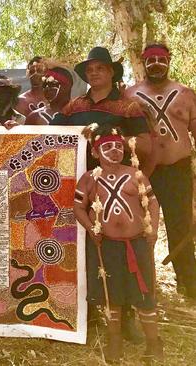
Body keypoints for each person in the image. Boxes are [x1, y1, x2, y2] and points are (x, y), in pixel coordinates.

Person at [52, 46, 152, 342]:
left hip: (116, 188)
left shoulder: (128, 107)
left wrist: (109, 139)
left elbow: (146, 144)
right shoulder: (74, 107)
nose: (94, 73)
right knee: (90, 248)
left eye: (100, 68)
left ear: (111, 72)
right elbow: (52, 134)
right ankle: (96, 312)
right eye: (89, 70)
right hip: (84, 186)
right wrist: (14, 130)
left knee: (121, 251)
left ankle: (128, 317)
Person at [74, 125, 162, 362]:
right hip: (107, 247)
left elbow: (152, 203)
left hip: (137, 243)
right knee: (110, 293)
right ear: (95, 152)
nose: (114, 151)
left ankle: (154, 342)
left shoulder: (136, 174)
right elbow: (78, 208)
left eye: (118, 146)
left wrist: (152, 227)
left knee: (144, 292)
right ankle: (114, 341)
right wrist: (92, 229)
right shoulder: (89, 179)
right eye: (107, 147)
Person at [124, 43, 196, 298]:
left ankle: (189, 285)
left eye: (161, 59)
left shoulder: (186, 94)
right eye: (151, 59)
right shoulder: (130, 94)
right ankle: (142, 287)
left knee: (181, 227)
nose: (156, 63)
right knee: (141, 228)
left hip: (178, 170)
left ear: (168, 61)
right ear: (143, 62)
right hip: (145, 170)